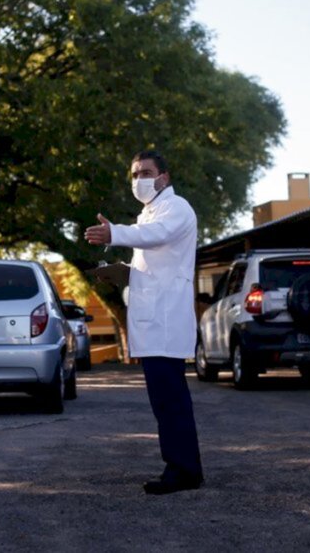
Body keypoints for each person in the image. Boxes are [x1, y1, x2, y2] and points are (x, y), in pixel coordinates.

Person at [84, 150, 204, 495]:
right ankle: (183, 466)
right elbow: (152, 252)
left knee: (170, 400)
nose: (139, 180)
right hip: (154, 321)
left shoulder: (176, 208)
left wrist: (115, 234)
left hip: (166, 322)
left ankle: (182, 470)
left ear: (164, 177)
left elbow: (156, 235)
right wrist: (124, 272)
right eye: (134, 174)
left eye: (146, 173)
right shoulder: (148, 212)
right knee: (164, 400)